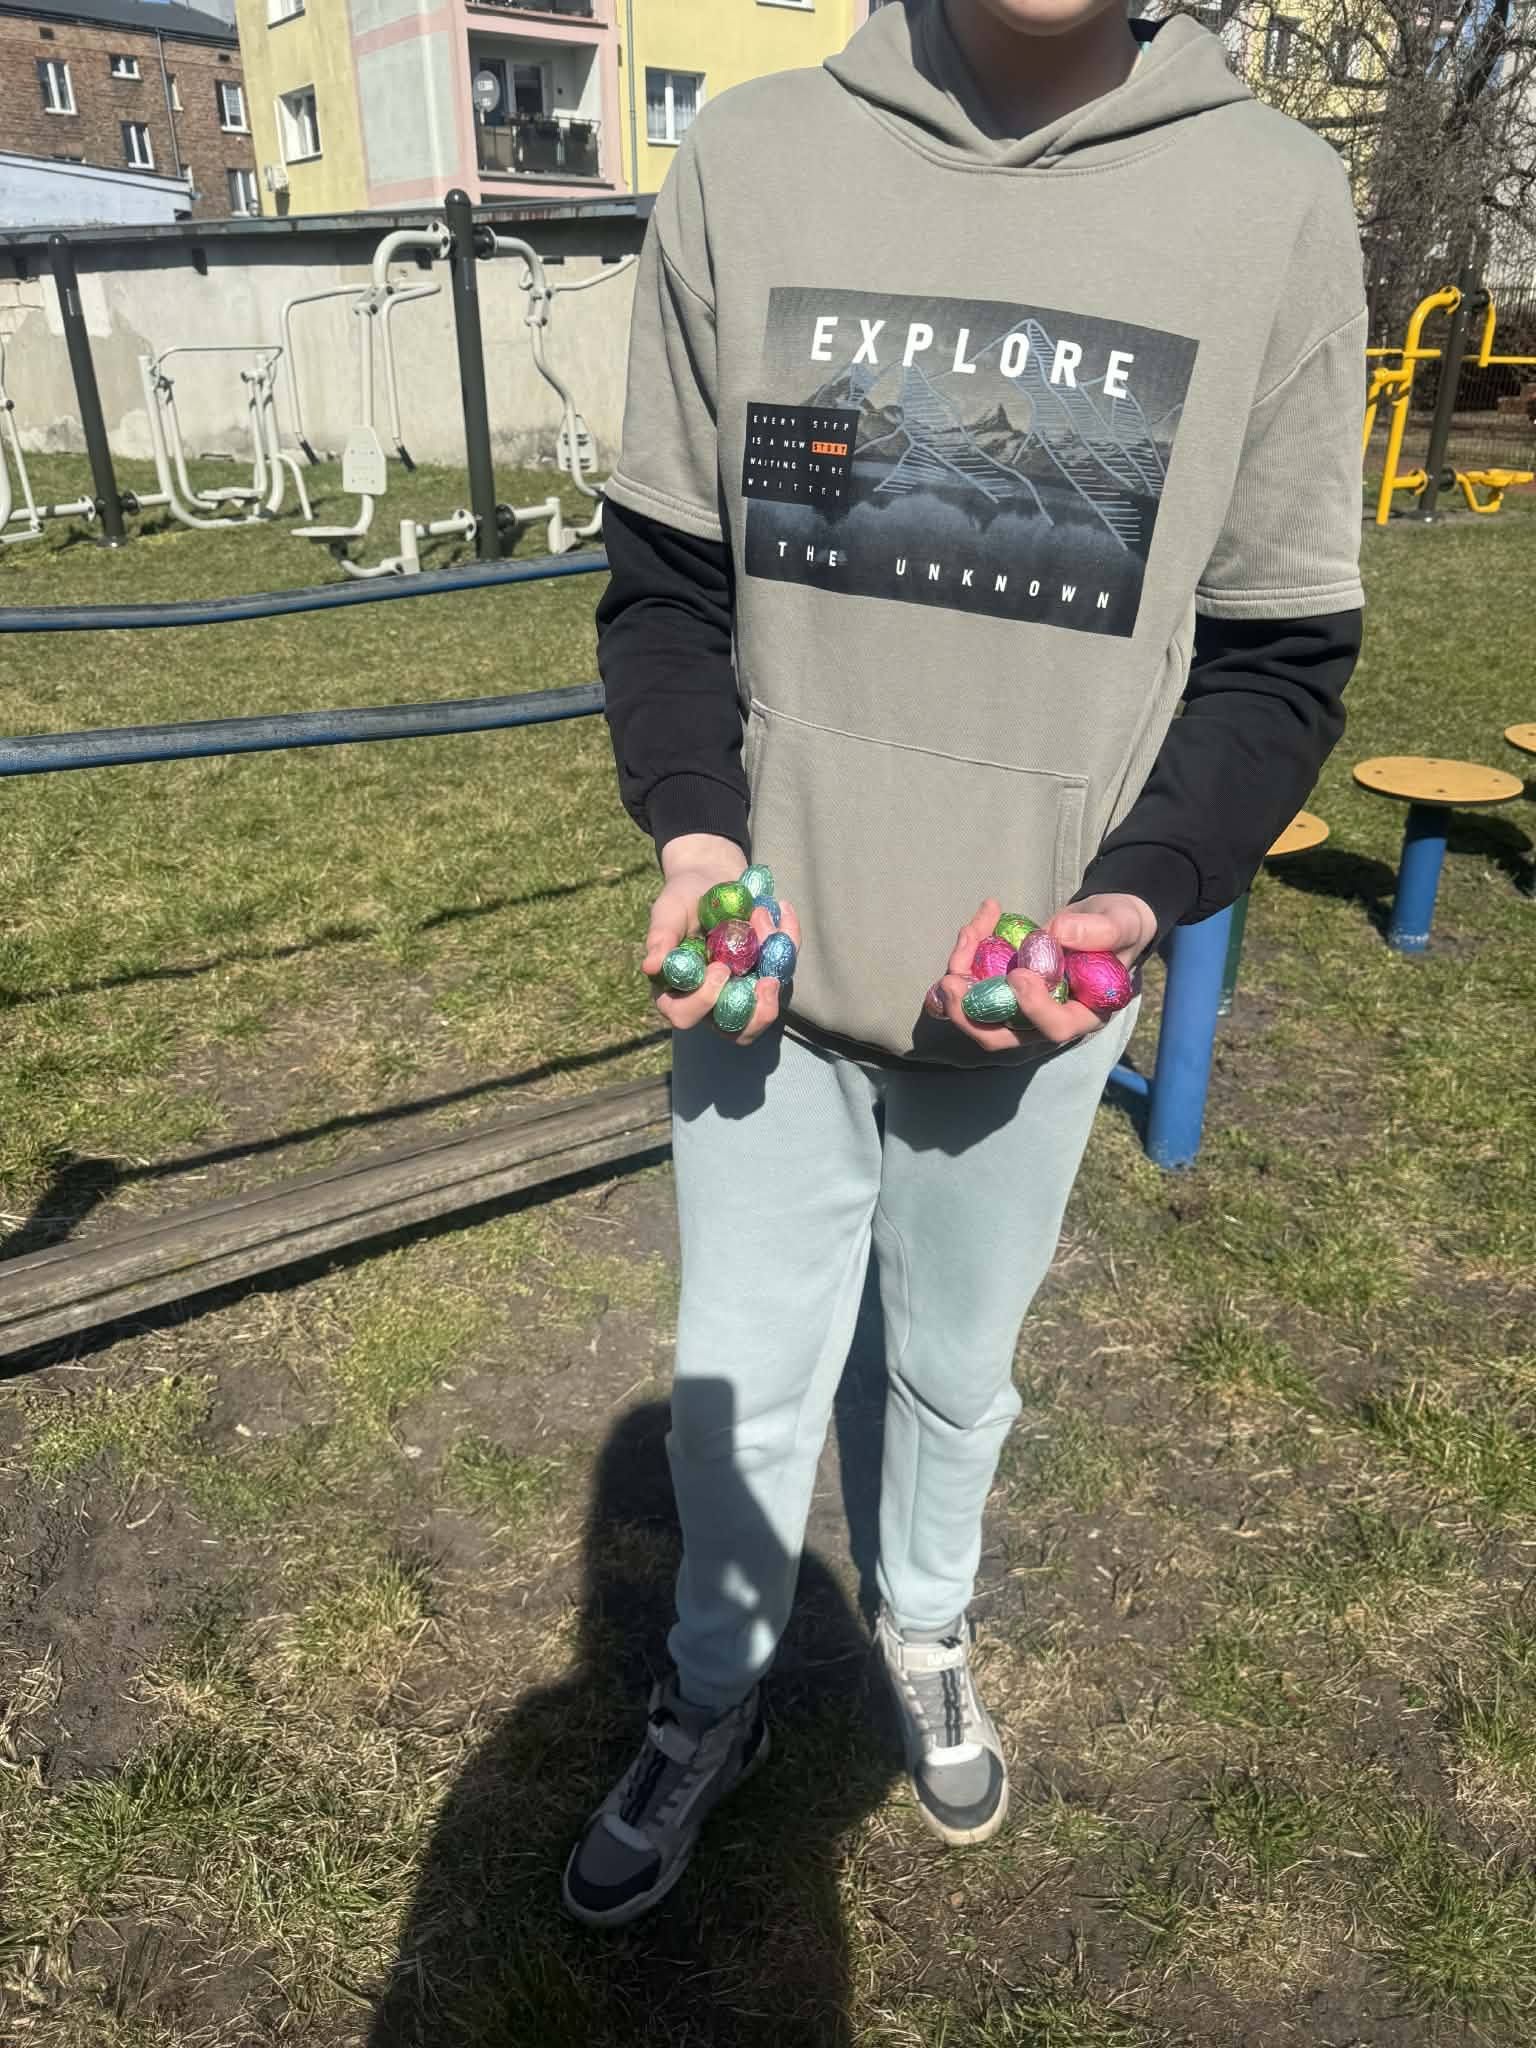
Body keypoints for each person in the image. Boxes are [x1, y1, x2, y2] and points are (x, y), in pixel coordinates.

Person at [564, 0, 1364, 1928]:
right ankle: (712, 1692)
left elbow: (1278, 651)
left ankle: (924, 1627)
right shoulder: (753, 158)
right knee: (738, 1386)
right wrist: (699, 832)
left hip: (1030, 1005)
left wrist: (1139, 889)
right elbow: (665, 580)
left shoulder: (1274, 198)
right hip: (764, 986)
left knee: (952, 1376)